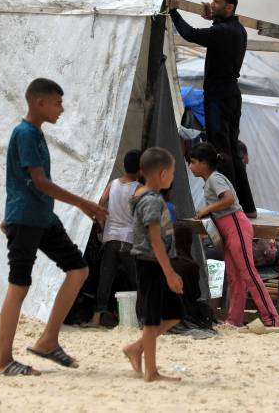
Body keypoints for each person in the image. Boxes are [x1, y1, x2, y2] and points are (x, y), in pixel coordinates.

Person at [0, 78, 107, 376]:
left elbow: (18, 180)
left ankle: (48, 339)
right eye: (57, 103)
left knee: (78, 269)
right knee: (19, 285)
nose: (62, 109)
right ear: (39, 103)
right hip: (28, 219)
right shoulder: (25, 133)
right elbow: (39, 182)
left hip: (40, 217)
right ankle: (1, 360)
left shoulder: (35, 133)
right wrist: (83, 203)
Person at [164, 0, 256, 217]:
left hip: (218, 95)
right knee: (232, 151)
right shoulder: (237, 30)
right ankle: (248, 207)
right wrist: (213, 19)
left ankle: (231, 206)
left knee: (220, 151)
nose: (212, 5)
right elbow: (217, 33)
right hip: (231, 93)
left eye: (216, 2)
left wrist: (174, 12)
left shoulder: (224, 32)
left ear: (229, 7)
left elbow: (190, 34)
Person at [189, 142, 279, 327]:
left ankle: (272, 319)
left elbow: (229, 198)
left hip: (236, 226)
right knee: (235, 277)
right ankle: (234, 320)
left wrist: (207, 209)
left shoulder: (215, 179)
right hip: (228, 230)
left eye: (193, 162)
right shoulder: (210, 181)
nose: (190, 166)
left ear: (204, 163)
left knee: (248, 273)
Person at [122, 147, 185, 383]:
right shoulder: (150, 200)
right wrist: (169, 272)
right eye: (172, 172)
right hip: (150, 264)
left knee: (175, 313)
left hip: (157, 263)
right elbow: (155, 239)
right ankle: (152, 371)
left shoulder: (151, 197)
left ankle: (136, 348)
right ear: (162, 173)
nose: (172, 177)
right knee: (151, 320)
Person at [85, 149, 142, 329]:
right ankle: (142, 319)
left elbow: (100, 205)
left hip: (110, 239)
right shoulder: (139, 189)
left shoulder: (113, 184)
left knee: (105, 280)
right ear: (141, 169)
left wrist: (103, 225)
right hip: (128, 240)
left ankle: (95, 319)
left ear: (124, 165)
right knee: (137, 280)